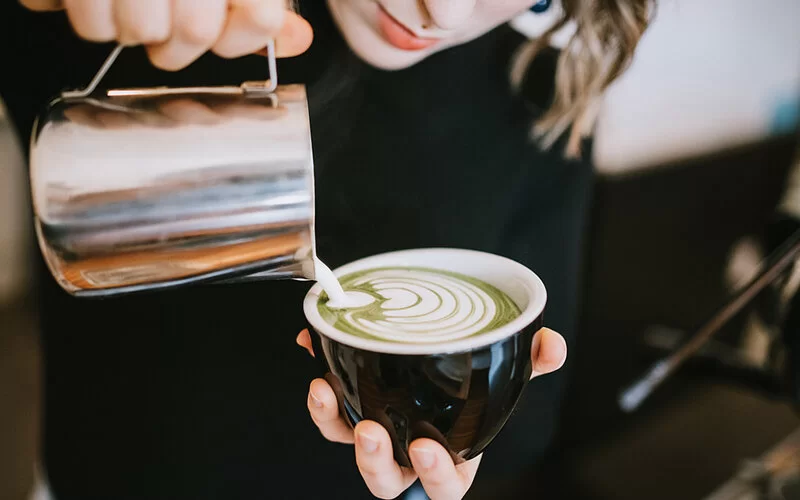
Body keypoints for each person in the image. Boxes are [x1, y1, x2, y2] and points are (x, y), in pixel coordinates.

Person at [0, 1, 651, 499]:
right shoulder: (177, 20)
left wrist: (441, 458)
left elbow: (528, 425)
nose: (442, 14)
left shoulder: (545, 92)